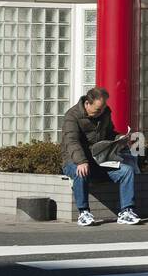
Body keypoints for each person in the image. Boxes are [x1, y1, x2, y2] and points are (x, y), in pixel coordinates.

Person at [60, 87, 140, 226]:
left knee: (127, 171)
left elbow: (109, 133)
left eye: (103, 108)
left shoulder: (104, 114)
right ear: (87, 104)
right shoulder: (72, 116)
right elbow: (71, 141)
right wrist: (81, 161)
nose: (101, 112)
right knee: (81, 171)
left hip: (99, 160)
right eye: (97, 110)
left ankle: (127, 211)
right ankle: (83, 212)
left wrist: (120, 138)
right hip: (75, 160)